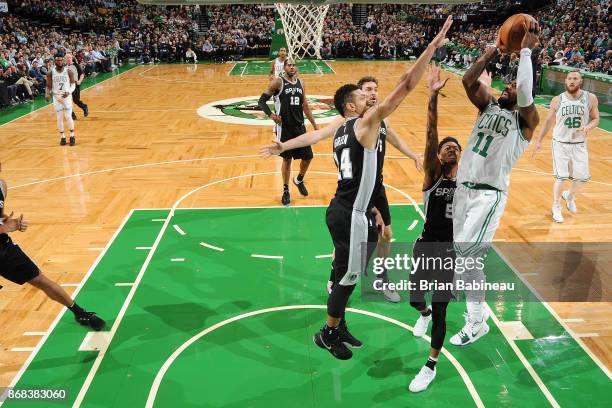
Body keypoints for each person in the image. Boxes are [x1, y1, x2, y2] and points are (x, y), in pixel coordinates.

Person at [313, 16, 453, 361]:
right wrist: (432, 47)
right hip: (350, 212)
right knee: (347, 277)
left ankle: (339, 322)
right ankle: (327, 332)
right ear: (352, 106)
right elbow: (405, 85)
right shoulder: (365, 124)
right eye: (364, 96)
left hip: (350, 205)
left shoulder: (341, 128)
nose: (370, 99)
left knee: (352, 269)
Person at [260, 75, 424, 303]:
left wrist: (414, 155)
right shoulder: (349, 123)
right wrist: (284, 146)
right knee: (347, 243)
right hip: (356, 187)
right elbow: (316, 135)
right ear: (356, 98)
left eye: (375, 89)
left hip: (376, 185)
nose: (372, 94)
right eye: (366, 90)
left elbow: (396, 141)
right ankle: (334, 276)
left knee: (386, 234)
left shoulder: (381, 121)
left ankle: (381, 277)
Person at [449, 22, 540, 346]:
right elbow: (467, 79)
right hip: (463, 191)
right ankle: (477, 314)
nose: (507, 87)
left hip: (488, 196)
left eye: (513, 86)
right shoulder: (487, 106)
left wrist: (526, 50)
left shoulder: (526, 122)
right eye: (507, 84)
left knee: (466, 256)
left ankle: (477, 321)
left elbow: (527, 93)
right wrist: (495, 48)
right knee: (463, 257)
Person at [0, 162, 105, 331]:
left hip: (3, 249)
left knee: (40, 279)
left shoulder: (1, 185)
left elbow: (1, 216)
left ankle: (80, 312)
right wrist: (4, 228)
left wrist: (10, 222)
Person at [408, 65, 461, 392]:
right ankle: (422, 312)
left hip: (449, 253)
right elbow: (430, 136)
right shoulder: (434, 177)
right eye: (446, 147)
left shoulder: (468, 182)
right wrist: (431, 98)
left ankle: (430, 364)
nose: (451, 148)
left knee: (442, 311)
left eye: (456, 146)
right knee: (416, 297)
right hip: (426, 245)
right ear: (439, 156)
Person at [532, 70, 599, 222]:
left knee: (582, 178)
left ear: (580, 81)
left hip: (579, 143)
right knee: (561, 177)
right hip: (560, 143)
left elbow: (596, 119)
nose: (572, 81)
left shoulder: (590, 98)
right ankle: (556, 206)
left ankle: (569, 196)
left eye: (575, 78)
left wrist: (588, 127)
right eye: (569, 78)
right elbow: (549, 121)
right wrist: (539, 141)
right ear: (566, 81)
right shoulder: (557, 100)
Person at [258, 58, 318, 206]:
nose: (292, 67)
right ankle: (286, 189)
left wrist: (315, 125)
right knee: (287, 160)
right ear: (284, 68)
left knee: (308, 157)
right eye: (289, 65)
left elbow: (305, 105)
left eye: (293, 64)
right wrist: (272, 116)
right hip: (284, 128)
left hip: (300, 127)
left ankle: (298, 180)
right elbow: (261, 101)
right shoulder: (278, 82)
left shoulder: (302, 83)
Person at [46, 53, 77, 146]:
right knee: (59, 118)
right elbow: (48, 86)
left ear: (63, 60)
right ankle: (62, 137)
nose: (59, 62)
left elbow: (73, 84)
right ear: (55, 61)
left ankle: (72, 135)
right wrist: (47, 94)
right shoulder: (50, 72)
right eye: (57, 60)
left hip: (66, 96)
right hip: (56, 97)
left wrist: (69, 92)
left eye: (61, 60)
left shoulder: (69, 71)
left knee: (68, 117)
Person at [66, 54, 89, 121]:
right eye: (66, 58)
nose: (68, 59)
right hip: (67, 86)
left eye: (69, 58)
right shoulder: (64, 67)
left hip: (75, 84)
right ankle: (72, 115)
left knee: (76, 100)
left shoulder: (76, 65)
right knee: (67, 101)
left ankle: (84, 107)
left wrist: (79, 81)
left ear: (71, 58)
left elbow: (82, 74)